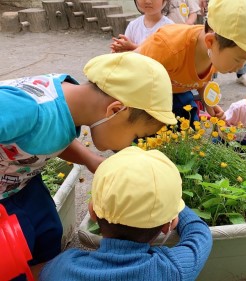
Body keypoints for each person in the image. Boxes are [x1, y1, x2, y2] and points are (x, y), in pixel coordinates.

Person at [0, 52, 177, 280]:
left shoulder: (70, 107)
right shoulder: (28, 108)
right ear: (115, 110)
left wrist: (91, 160)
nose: (131, 145)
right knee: (12, 257)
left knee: (48, 234)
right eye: (136, 136)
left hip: (25, 185)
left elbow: (47, 137)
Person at [39, 146, 212, 281]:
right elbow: (200, 234)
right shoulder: (171, 270)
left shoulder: (62, 266)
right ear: (169, 225)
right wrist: (172, 205)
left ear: (92, 211)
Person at [136, 0, 246, 123]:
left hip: (176, 92)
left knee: (189, 122)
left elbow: (199, 78)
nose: (240, 67)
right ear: (210, 42)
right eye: (238, 60)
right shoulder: (168, 48)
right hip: (145, 94)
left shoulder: (213, 53)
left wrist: (208, 101)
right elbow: (134, 76)